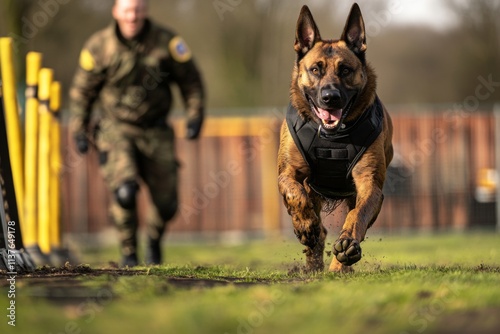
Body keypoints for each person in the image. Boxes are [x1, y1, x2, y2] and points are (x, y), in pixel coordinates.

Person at [69, 0, 205, 267]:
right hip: (115, 129)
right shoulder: (99, 46)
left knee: (167, 205)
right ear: (116, 11)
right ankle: (129, 253)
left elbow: (191, 81)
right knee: (125, 191)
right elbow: (82, 92)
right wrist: (79, 129)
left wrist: (195, 115)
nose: (132, 16)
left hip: (156, 129)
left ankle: (153, 240)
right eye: (127, 10)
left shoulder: (166, 42)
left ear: (145, 10)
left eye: (138, 9)